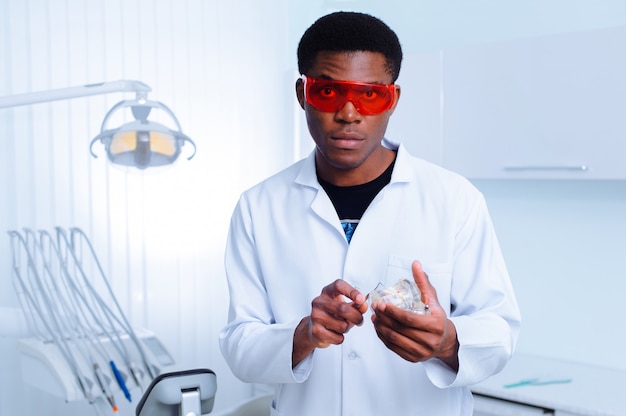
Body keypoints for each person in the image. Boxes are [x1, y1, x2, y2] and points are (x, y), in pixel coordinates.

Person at [219, 11, 521, 415]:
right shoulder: (259, 207)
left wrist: (447, 341)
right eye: (327, 92)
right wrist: (304, 334)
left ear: (392, 99)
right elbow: (240, 343)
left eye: (369, 94)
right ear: (301, 93)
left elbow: (499, 329)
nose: (348, 112)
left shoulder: (454, 199)